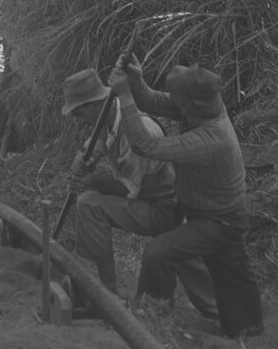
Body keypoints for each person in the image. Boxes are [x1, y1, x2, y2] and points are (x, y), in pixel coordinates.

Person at [109, 55, 264, 339]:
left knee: (160, 252)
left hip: (220, 220)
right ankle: (245, 328)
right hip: (211, 211)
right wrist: (136, 80)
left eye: (179, 96)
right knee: (231, 273)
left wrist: (124, 95)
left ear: (192, 103)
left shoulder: (210, 138)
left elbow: (145, 145)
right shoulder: (200, 107)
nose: (174, 99)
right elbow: (154, 101)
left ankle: (154, 320)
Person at [63, 68, 218, 321]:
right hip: (152, 203)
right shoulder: (107, 117)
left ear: (94, 105)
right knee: (185, 265)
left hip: (164, 207)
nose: (78, 120)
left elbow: (128, 190)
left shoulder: (136, 129)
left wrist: (91, 180)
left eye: (79, 113)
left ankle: (107, 295)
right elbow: (100, 142)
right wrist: (84, 159)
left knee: (90, 204)